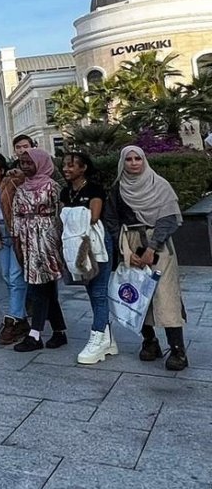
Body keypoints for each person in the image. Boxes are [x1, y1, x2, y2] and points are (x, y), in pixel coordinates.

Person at [105, 145, 188, 370]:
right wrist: (125, 251)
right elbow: (111, 220)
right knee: (137, 294)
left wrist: (152, 247)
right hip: (130, 243)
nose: (133, 163)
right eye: (129, 159)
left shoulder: (160, 185)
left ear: (144, 160)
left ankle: (178, 350)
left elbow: (169, 218)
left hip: (158, 245)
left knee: (165, 294)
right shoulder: (118, 189)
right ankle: (150, 341)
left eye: (137, 158)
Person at [10, 148, 68, 353]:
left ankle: (35, 334)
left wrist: (59, 241)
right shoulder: (21, 189)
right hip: (27, 241)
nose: (25, 166)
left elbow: (61, 215)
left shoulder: (53, 187)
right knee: (45, 289)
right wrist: (16, 239)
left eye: (29, 162)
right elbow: (16, 215)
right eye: (22, 163)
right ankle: (59, 331)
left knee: (39, 287)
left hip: (47, 241)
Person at [61, 151, 116, 366]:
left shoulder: (94, 189)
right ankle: (108, 337)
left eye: (71, 165)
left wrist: (70, 215)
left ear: (83, 168)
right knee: (91, 290)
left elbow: (93, 216)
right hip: (77, 246)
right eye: (65, 165)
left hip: (97, 244)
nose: (66, 168)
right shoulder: (66, 192)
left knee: (100, 291)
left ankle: (97, 336)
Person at [0, 153, 29, 346]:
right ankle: (22, 315)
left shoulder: (10, 183)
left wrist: (17, 174)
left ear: (1, 170)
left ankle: (14, 317)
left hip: (15, 231)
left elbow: (25, 183)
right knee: (7, 276)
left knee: (16, 276)